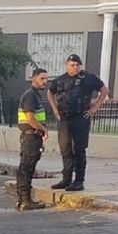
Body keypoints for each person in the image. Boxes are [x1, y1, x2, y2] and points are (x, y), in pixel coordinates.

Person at [47, 53, 109, 191]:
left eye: (77, 65)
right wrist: (55, 109)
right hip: (64, 119)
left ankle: (79, 180)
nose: (75, 67)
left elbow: (104, 90)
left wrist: (94, 108)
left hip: (81, 118)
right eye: (72, 65)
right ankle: (66, 179)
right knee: (65, 149)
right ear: (66, 65)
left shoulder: (88, 78)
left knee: (79, 150)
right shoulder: (60, 80)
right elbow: (50, 92)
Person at [15, 67, 49, 212]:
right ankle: (25, 200)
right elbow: (30, 118)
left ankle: (24, 199)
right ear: (33, 79)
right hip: (30, 136)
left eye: (46, 79)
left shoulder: (36, 95)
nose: (45, 82)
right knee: (26, 168)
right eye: (42, 78)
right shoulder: (30, 95)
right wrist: (44, 129)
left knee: (28, 167)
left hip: (33, 136)